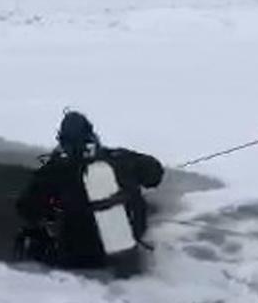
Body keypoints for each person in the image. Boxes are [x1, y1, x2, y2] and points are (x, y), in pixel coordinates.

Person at [14, 111, 165, 276]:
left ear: (62, 139)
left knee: (31, 237)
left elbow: (27, 209)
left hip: (78, 258)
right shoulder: (120, 158)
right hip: (125, 253)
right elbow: (154, 175)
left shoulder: (54, 171)